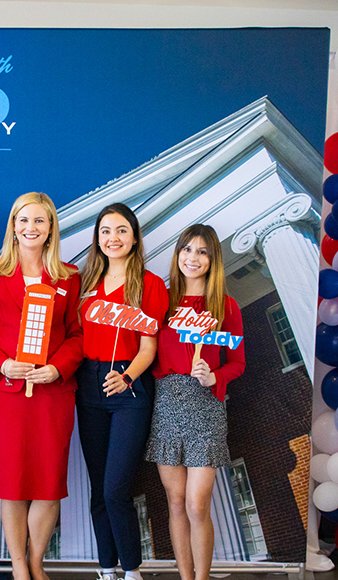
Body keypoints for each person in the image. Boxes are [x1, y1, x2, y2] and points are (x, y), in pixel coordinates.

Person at [0, 192, 83, 580]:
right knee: (12, 484)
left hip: (52, 393)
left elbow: (78, 336)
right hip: (7, 395)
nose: (30, 228)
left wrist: (58, 368)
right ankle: (19, 566)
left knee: (49, 485)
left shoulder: (69, 277)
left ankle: (37, 562)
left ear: (51, 228)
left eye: (39, 221)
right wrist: (3, 364)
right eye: (23, 220)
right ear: (13, 227)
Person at [144, 224, 245, 580]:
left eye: (203, 251)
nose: (193, 257)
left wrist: (215, 376)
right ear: (177, 254)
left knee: (197, 503)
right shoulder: (161, 304)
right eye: (187, 249)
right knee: (175, 502)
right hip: (167, 403)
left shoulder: (225, 306)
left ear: (213, 259)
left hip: (207, 406)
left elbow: (238, 362)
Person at [76, 204, 167, 580]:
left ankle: (132, 570)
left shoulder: (150, 284)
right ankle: (106, 568)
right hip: (88, 384)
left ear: (134, 237)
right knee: (98, 490)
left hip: (129, 388)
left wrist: (126, 377)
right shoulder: (85, 286)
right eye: (105, 231)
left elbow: (149, 347)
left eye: (121, 231)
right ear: (97, 239)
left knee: (116, 488)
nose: (113, 238)